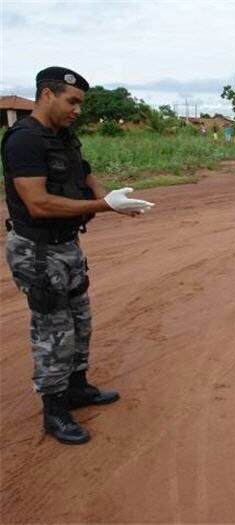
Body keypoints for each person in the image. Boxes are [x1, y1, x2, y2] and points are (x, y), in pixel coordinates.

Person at [2, 67, 155, 445]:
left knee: (79, 320)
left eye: (80, 103)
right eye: (72, 101)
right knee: (53, 330)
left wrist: (111, 197)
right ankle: (54, 410)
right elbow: (37, 203)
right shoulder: (23, 140)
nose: (77, 110)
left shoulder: (64, 137)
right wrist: (104, 206)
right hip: (36, 250)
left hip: (67, 245)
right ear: (47, 95)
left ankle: (77, 386)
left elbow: (84, 177)